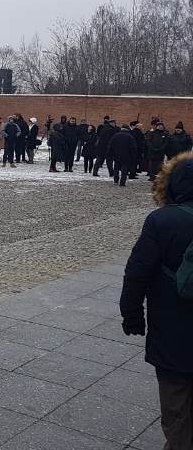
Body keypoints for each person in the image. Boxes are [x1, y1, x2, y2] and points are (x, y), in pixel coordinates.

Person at [120, 152, 193, 450]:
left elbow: (137, 273)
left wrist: (132, 315)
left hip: (173, 330)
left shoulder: (163, 220)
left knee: (177, 407)